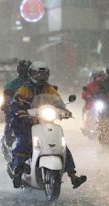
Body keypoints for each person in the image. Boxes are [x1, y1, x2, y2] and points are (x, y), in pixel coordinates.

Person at [9, 61, 87, 189]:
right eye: (37, 73)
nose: (40, 76)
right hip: (26, 123)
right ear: (31, 74)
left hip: (45, 123)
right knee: (24, 141)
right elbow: (15, 104)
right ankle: (18, 170)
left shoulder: (49, 89)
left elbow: (58, 103)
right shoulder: (24, 89)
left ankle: (73, 176)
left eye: (43, 74)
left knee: (62, 146)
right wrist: (20, 112)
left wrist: (64, 111)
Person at [1, 60, 32, 147]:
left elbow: (48, 96)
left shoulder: (38, 84)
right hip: (18, 111)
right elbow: (7, 98)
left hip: (34, 111)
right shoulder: (11, 85)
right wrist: (7, 104)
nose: (25, 72)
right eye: (23, 69)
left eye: (27, 69)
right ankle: (10, 143)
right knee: (12, 122)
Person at [81, 70, 106, 136]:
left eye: (101, 77)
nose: (100, 78)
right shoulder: (90, 85)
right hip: (92, 104)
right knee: (90, 113)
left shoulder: (106, 85)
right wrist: (88, 96)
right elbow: (84, 93)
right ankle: (87, 128)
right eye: (98, 77)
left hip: (104, 103)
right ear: (94, 77)